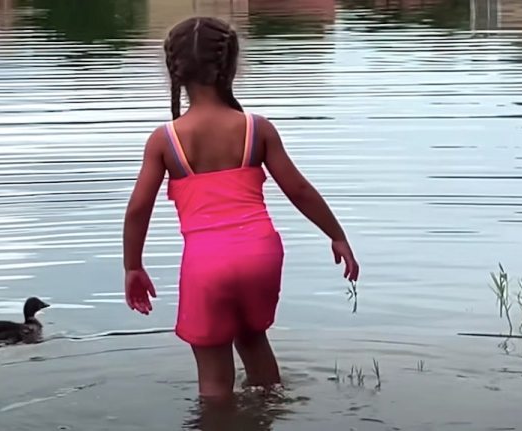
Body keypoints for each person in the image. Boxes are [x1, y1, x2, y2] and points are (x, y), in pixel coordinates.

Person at [122, 16, 359, 401]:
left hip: (207, 262)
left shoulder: (165, 140)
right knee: (254, 341)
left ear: (175, 72)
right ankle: (268, 414)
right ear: (231, 66)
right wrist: (337, 235)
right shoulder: (256, 128)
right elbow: (298, 189)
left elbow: (138, 209)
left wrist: (133, 266)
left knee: (214, 383)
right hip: (260, 254)